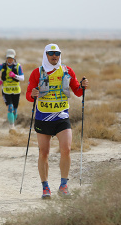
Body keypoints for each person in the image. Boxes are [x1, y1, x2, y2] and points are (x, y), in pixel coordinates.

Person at [26, 43, 89, 199]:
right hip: (43, 118)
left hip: (62, 117)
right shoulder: (37, 73)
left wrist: (83, 86)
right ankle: (45, 187)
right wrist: (33, 93)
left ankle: (63, 185)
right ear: (45, 55)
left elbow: (78, 92)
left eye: (57, 53)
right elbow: (29, 96)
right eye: (51, 53)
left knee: (66, 149)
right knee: (44, 153)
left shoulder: (67, 71)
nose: (55, 56)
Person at [0, 49, 24, 129]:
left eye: (11, 58)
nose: (10, 60)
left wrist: (15, 76)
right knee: (10, 107)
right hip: (6, 90)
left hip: (16, 91)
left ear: (14, 58)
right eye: (8, 58)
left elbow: (22, 78)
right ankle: (12, 127)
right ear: (6, 58)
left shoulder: (18, 66)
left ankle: (12, 123)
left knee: (15, 109)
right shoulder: (2, 66)